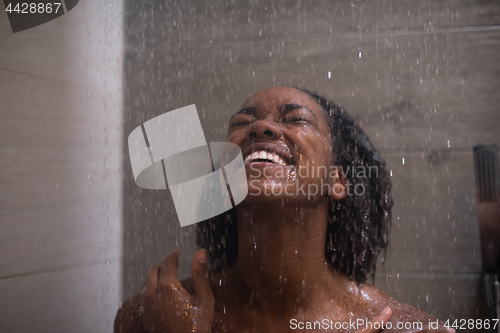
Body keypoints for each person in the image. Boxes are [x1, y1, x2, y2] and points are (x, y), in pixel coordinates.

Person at [115, 87, 454, 333]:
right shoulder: (151, 317)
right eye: (240, 124)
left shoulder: (408, 330)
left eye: (296, 119)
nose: (260, 128)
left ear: (337, 180)